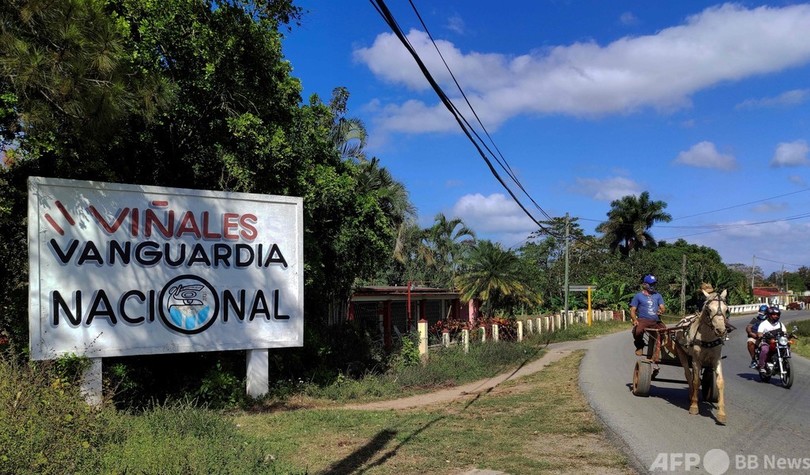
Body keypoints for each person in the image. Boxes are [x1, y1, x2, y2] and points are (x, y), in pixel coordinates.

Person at [630, 274, 667, 356]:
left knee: (665, 331)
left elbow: (662, 307)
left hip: (656, 321)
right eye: (651, 284)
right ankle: (639, 346)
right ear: (644, 284)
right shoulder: (638, 296)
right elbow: (632, 310)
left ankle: (660, 347)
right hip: (643, 320)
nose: (652, 286)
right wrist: (635, 320)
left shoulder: (658, 295)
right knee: (637, 331)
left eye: (654, 284)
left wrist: (661, 311)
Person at [756, 307, 787, 375]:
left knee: (786, 347)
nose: (776, 316)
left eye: (777, 315)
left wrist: (789, 335)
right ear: (769, 315)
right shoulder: (764, 324)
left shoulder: (780, 324)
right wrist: (761, 335)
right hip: (767, 342)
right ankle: (761, 366)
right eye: (774, 314)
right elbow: (759, 333)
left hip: (778, 342)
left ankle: (785, 362)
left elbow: (785, 332)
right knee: (764, 350)